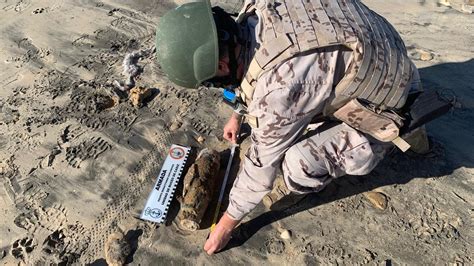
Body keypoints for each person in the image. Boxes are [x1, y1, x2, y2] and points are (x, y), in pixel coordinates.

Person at [155, 0, 426, 255]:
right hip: (379, 54)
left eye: (212, 81)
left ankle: (393, 137)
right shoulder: (257, 9)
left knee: (298, 165)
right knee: (298, 107)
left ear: (222, 65)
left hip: (389, 99)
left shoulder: (279, 91)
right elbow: (250, 70)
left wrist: (225, 225)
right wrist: (238, 114)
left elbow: (260, 169)